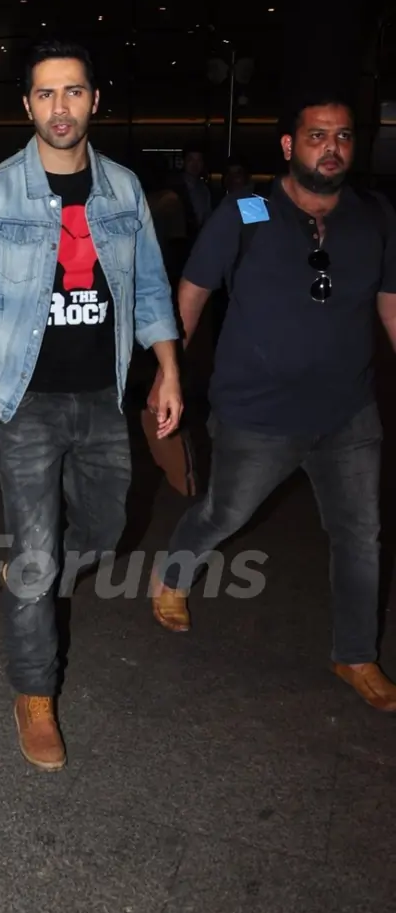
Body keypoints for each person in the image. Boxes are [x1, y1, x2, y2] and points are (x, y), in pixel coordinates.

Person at [0, 38, 182, 771]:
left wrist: (167, 369)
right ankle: (34, 692)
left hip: (103, 393)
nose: (60, 107)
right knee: (37, 552)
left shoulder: (124, 190)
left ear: (94, 100)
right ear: (27, 106)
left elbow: (151, 290)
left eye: (73, 91)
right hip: (21, 399)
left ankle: (29, 575)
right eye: (45, 94)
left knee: (106, 528)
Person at [151, 97, 396, 712]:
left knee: (361, 534)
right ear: (289, 146)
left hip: (348, 412)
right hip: (257, 412)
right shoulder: (248, 209)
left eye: (342, 136)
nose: (332, 147)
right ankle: (172, 572)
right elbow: (194, 289)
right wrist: (168, 373)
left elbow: (391, 302)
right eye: (317, 136)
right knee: (225, 512)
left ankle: (355, 652)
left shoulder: (374, 215)